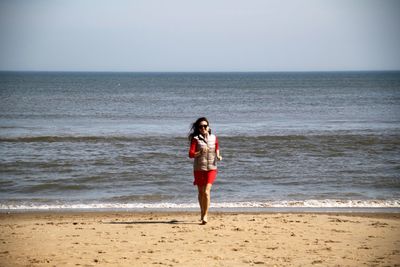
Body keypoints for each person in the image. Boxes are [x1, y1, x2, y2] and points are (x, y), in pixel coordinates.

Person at [188, 117, 222, 225]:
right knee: (201, 193)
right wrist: (200, 152)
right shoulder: (195, 139)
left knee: (207, 192)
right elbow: (191, 155)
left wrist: (218, 155)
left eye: (205, 126)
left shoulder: (214, 137)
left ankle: (205, 215)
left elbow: (216, 147)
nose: (203, 128)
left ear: (208, 127)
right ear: (198, 128)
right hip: (199, 169)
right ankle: (202, 212)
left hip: (211, 168)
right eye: (201, 126)